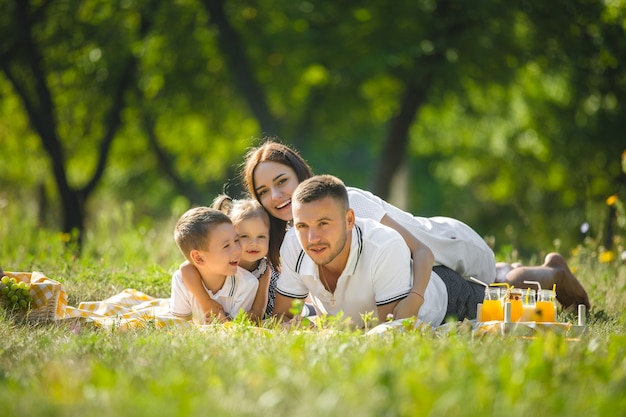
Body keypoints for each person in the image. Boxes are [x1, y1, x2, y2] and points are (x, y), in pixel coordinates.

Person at [242, 139, 591, 314]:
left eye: (282, 181)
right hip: (419, 270)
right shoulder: (292, 234)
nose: (275, 195)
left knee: (502, 286)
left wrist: (412, 301)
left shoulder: (350, 204)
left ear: (300, 174)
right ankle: (516, 268)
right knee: (490, 284)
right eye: (263, 191)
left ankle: (553, 273)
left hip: (445, 246)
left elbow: (419, 251)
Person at [274, 174, 485, 326]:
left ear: (349, 220)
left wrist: (417, 295)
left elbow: (387, 331)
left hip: (446, 298)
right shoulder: (294, 244)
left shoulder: (384, 245)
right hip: (399, 273)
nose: (312, 238)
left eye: (323, 224)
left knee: (505, 300)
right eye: (302, 226)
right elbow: (281, 318)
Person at [179, 196, 279, 322]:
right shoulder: (223, 261)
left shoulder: (264, 270)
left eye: (261, 237)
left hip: (262, 312)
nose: (254, 243)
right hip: (226, 309)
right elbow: (186, 269)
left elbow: (258, 311)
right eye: (244, 236)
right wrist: (205, 301)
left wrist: (232, 322)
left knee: (304, 310)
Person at [171, 206, 259, 323]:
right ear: (199, 258)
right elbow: (180, 325)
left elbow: (235, 330)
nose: (237, 250)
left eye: (236, 240)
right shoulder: (180, 281)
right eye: (226, 246)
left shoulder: (247, 284)